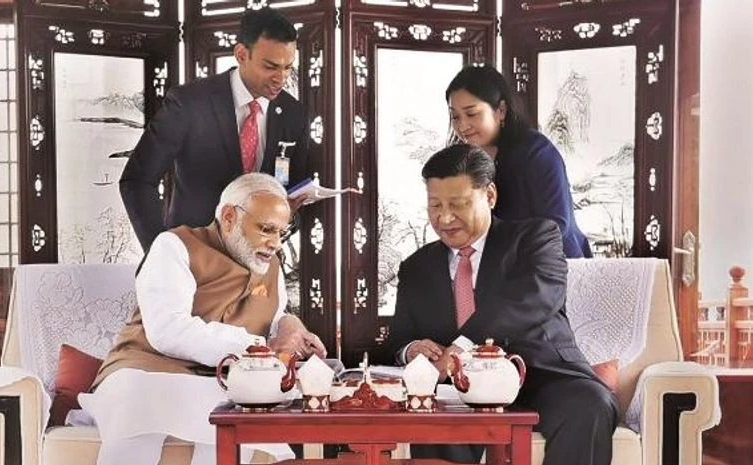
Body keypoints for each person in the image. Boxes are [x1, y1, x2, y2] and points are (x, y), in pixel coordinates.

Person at [383, 145, 617, 465]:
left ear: (489, 196)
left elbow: (536, 298)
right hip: (456, 390)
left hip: (541, 376)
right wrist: (412, 350)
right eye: (435, 205)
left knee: (590, 404)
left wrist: (462, 346)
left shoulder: (536, 238)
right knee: (431, 412)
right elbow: (396, 340)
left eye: (458, 204)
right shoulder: (416, 267)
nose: (444, 217)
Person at [80, 173, 328, 465]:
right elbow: (168, 329)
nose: (275, 243)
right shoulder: (174, 246)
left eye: (281, 233)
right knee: (138, 401)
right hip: (144, 371)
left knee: (244, 408)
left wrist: (290, 326)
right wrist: (256, 348)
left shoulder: (270, 265)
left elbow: (272, 316)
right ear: (228, 217)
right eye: (266, 229)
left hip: (219, 381)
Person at [121, 7, 310, 251]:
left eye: (287, 67)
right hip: (193, 258)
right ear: (241, 55)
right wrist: (162, 252)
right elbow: (137, 180)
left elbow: (293, 190)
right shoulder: (189, 103)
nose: (281, 78)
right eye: (270, 66)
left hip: (260, 265)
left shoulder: (293, 114)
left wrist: (286, 219)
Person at [446, 64, 592, 258]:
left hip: (554, 266)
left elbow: (556, 225)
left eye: (471, 114)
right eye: (455, 116)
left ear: (501, 111)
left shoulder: (537, 153)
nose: (462, 125)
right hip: (501, 267)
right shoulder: (466, 159)